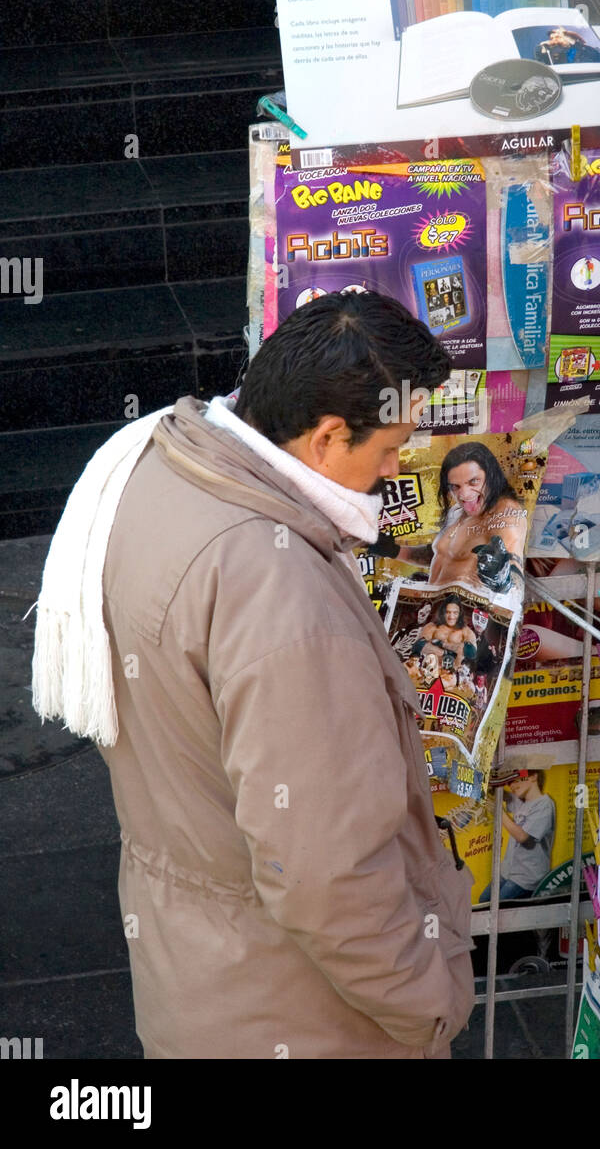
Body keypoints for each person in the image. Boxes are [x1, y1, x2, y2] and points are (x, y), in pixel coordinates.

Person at [32, 291, 475, 1059]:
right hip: (300, 1016)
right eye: (391, 446)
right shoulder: (284, 602)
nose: (396, 468)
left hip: (195, 972)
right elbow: (327, 877)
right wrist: (431, 1005)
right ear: (329, 434)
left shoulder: (157, 462)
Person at [427, 442, 526, 598]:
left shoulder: (505, 511)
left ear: (491, 476)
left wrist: (503, 580)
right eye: (455, 486)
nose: (464, 494)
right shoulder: (457, 513)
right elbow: (445, 556)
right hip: (434, 610)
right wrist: (395, 551)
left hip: (469, 615)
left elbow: (513, 565)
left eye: (473, 482)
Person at [478, 770, 556, 902]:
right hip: (508, 872)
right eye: (509, 782)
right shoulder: (522, 802)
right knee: (483, 901)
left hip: (527, 877)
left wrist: (498, 812)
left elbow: (523, 837)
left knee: (495, 908)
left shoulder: (544, 805)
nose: (512, 786)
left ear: (533, 777)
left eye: (516, 780)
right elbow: (501, 794)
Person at [411, 595, 476, 672]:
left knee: (462, 646)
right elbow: (418, 646)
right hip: (429, 669)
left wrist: (443, 644)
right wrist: (443, 653)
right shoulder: (433, 626)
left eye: (455, 613)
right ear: (443, 612)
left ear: (460, 614)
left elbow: (472, 653)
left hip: (452, 675)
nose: (451, 617)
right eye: (448, 612)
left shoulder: (466, 631)